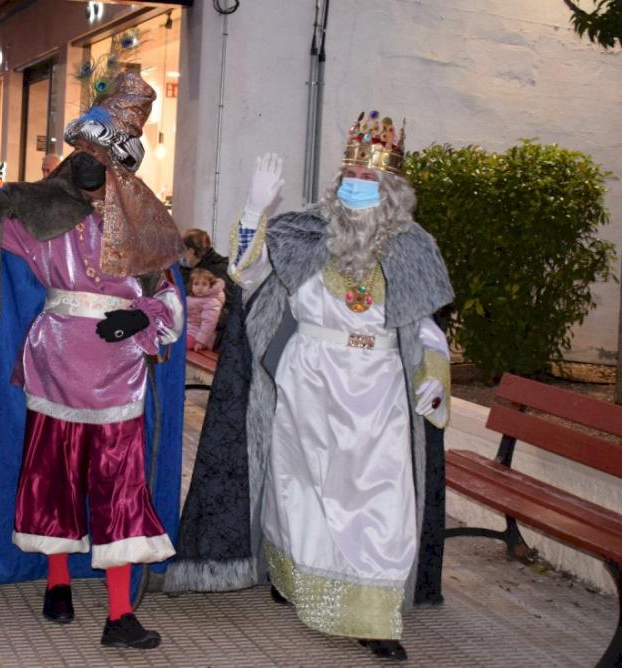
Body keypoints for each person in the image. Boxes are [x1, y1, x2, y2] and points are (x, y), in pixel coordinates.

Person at [167, 111, 453, 662]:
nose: (355, 186)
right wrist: (254, 210)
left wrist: (433, 378)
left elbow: (425, 329)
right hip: (308, 377)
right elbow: (247, 277)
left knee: (380, 495)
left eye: (368, 180)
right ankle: (291, 574)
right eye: (349, 176)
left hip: (379, 389)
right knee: (300, 487)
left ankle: (375, 615)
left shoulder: (414, 248)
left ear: (391, 189)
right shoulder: (304, 232)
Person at [0, 72, 186, 650]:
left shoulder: (144, 231)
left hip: (119, 379)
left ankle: (119, 615)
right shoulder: (37, 217)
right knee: (51, 481)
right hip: (54, 369)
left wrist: (141, 320)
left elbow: (169, 299)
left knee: (120, 491)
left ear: (122, 169)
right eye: (82, 153)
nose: (86, 166)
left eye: (101, 157)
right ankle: (57, 584)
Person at [185, 268, 225, 352]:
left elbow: (209, 322)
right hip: (188, 330)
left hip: (199, 336)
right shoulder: (190, 297)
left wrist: (200, 341)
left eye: (204, 284)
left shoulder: (212, 301)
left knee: (177, 343)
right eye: (196, 284)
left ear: (210, 286)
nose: (200, 288)